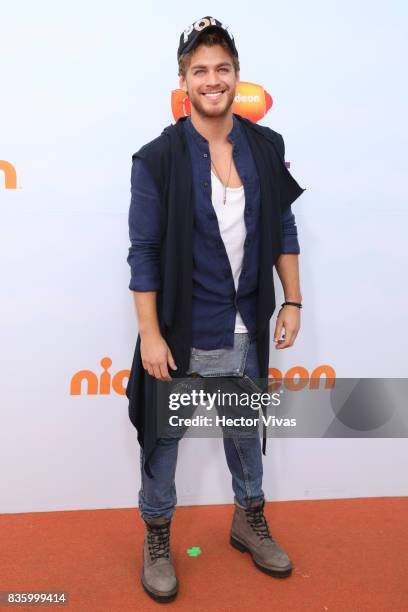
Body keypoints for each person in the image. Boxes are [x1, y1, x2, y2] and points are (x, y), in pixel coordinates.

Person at [126, 16, 305, 603]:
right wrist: (149, 334)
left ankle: (248, 519)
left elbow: (282, 223)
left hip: (247, 324)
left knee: (245, 433)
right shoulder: (158, 158)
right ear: (184, 81)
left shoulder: (265, 145)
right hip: (179, 330)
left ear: (236, 76)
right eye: (200, 70)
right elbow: (145, 251)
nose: (212, 79)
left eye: (222, 68)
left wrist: (293, 298)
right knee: (164, 440)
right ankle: (157, 536)